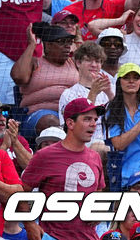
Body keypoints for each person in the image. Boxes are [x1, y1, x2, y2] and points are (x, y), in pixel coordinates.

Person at [20, 98, 106, 240]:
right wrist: (30, 225)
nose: (93, 124)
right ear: (70, 123)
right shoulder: (45, 156)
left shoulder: (95, 157)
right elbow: (21, 193)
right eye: (87, 119)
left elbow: (98, 192)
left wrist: (97, 210)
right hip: (54, 236)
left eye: (95, 120)